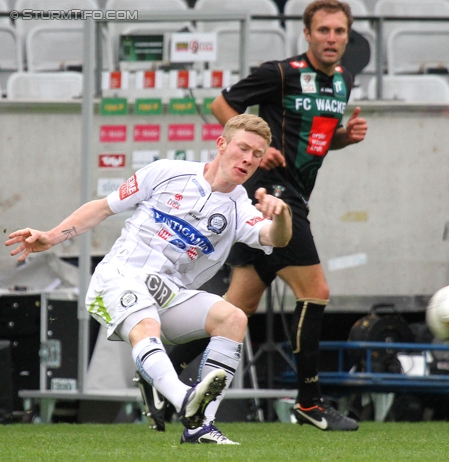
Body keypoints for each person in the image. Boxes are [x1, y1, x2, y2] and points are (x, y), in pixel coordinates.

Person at [5, 114, 292, 444]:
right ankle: (183, 398)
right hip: (119, 277)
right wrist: (52, 236)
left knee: (233, 318)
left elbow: (276, 238)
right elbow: (103, 207)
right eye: (243, 148)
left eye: (257, 154)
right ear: (221, 144)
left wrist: (282, 215)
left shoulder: (241, 206)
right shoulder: (167, 172)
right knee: (145, 324)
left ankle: (200, 427)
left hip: (169, 294)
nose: (248, 159)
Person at [210, 0, 367, 431]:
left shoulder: (344, 81)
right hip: (272, 193)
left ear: (347, 36)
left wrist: (344, 139)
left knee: (237, 307)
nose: (331, 38)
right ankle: (310, 403)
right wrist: (257, 150)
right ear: (308, 34)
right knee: (315, 291)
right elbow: (221, 105)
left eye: (339, 31)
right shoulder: (281, 72)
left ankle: (160, 377)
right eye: (323, 31)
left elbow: (318, 138)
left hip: (294, 193)